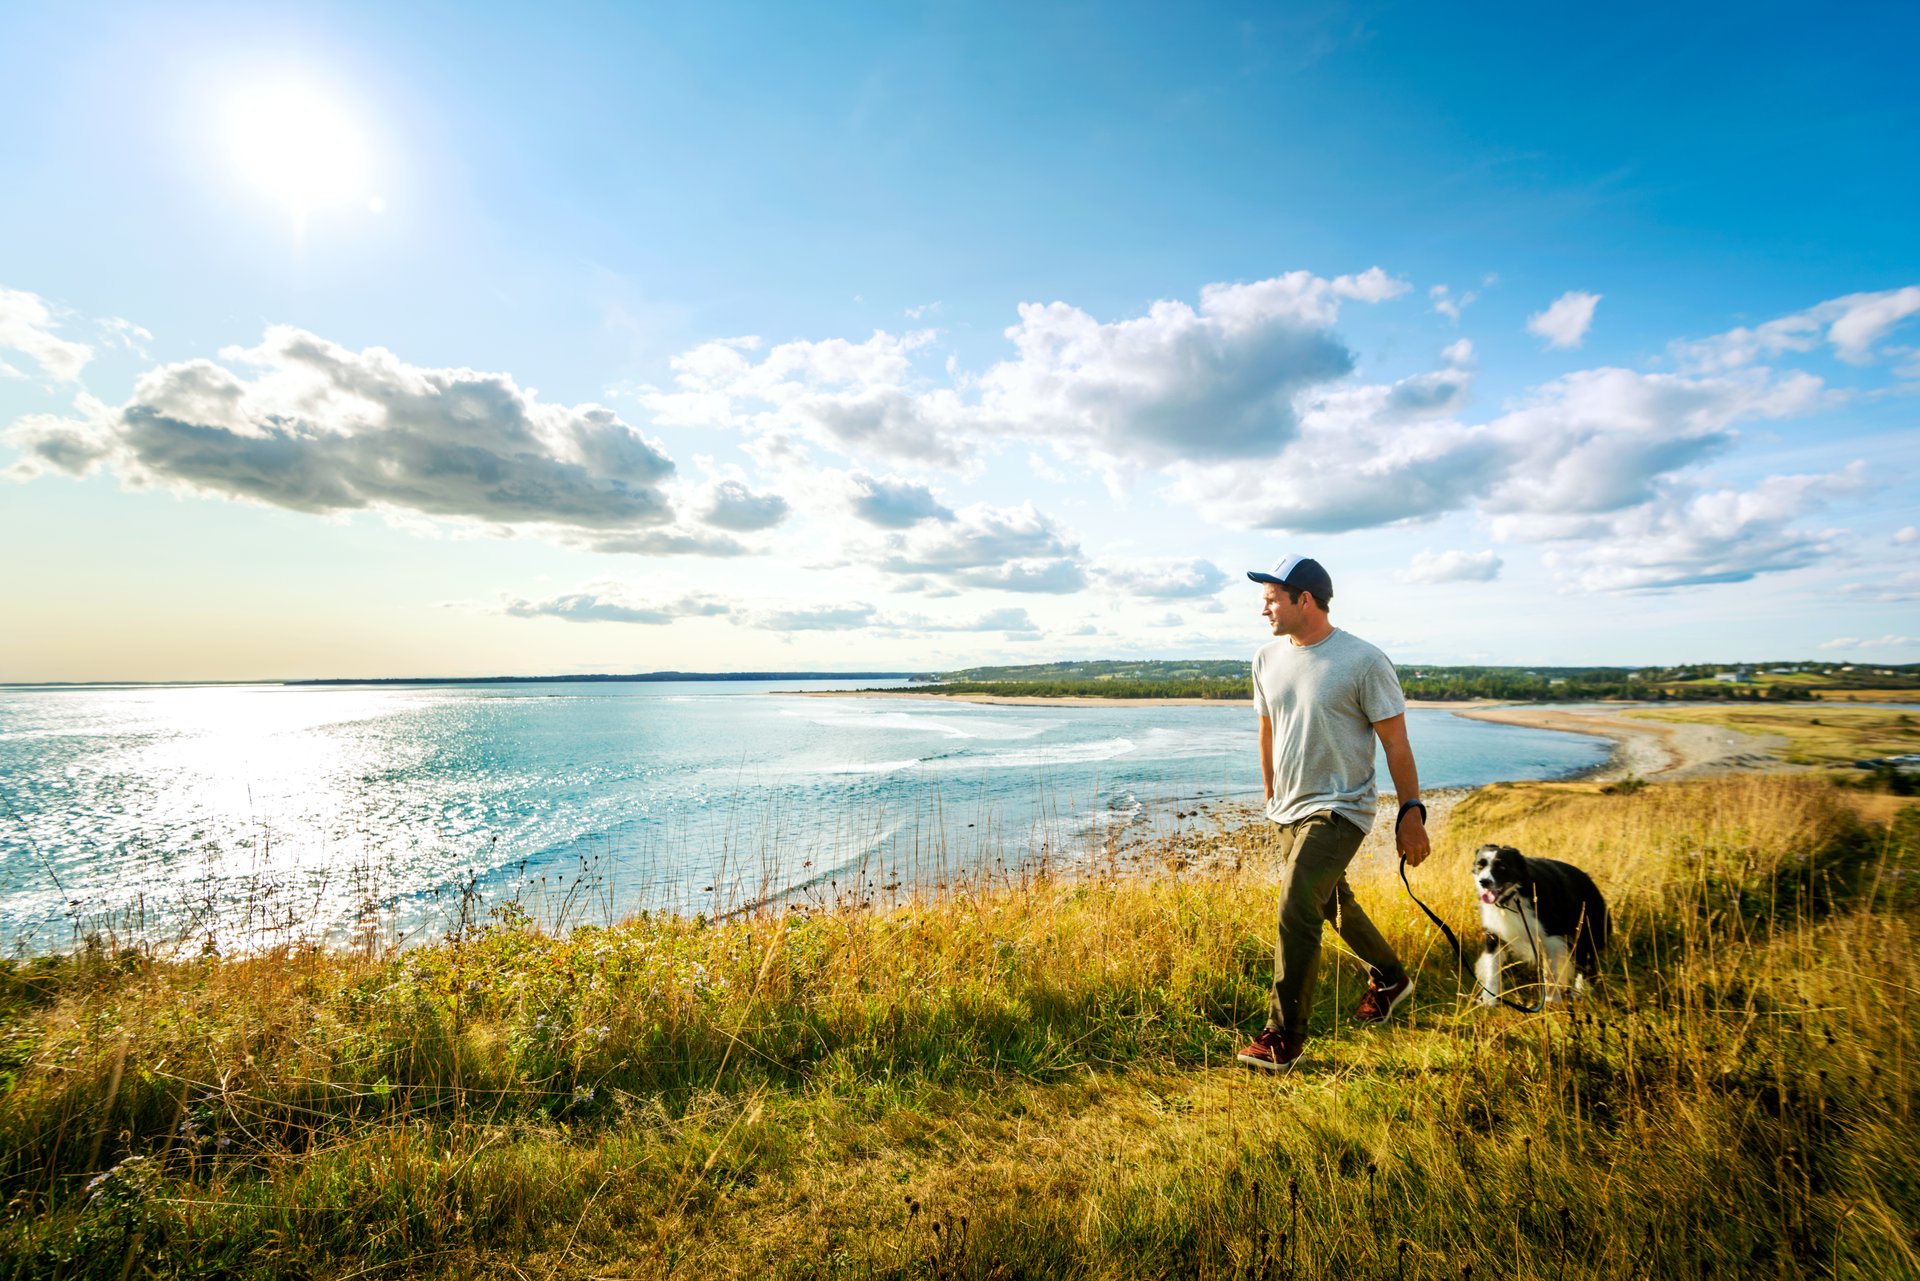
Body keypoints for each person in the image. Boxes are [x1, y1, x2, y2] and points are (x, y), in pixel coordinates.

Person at [1234, 554, 1430, 1072]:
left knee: (1296, 902)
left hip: (1342, 807)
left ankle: (1283, 1035)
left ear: (1304, 599)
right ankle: (1390, 976)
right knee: (1328, 904)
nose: (1264, 609)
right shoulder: (1265, 659)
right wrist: (1271, 795)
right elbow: (1268, 729)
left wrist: (1411, 812)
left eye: (1272, 598)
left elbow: (1396, 742)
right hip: (1287, 809)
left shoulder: (1363, 661)